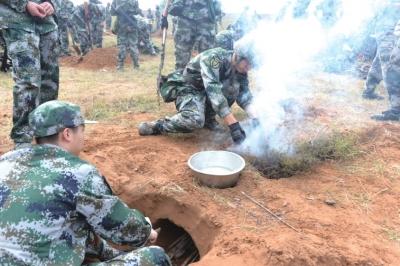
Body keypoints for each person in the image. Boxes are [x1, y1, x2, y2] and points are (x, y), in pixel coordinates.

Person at [0, 100, 172, 266]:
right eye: (82, 130)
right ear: (67, 134)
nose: (84, 137)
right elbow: (122, 227)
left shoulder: (6, 162)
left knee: (81, 229)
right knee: (155, 257)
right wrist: (146, 230)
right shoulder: (78, 173)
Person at [138, 45, 259, 144]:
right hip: (190, 88)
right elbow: (213, 89)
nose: (248, 68)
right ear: (238, 56)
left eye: (251, 66)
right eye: (247, 64)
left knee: (233, 88)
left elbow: (245, 95)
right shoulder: (214, 58)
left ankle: (208, 120)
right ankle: (158, 126)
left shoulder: (240, 70)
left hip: (205, 93)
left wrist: (255, 118)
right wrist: (233, 125)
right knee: (194, 120)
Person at [0, 0, 60, 148]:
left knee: (50, 80)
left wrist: (51, 3)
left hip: (46, 22)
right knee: (28, 81)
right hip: (16, 19)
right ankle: (23, 140)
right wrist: (24, 4)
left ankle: (47, 133)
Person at [366, 1, 400, 120]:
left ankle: (368, 91)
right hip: (387, 30)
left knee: (385, 65)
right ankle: (396, 110)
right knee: (388, 66)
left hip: (388, 30)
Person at [166, 0, 222, 71]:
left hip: (203, 22)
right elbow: (173, 8)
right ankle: (181, 78)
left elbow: (217, 10)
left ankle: (204, 79)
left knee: (208, 58)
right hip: (188, 21)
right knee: (182, 59)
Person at [111, 0, 140, 71]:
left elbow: (112, 13)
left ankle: (120, 67)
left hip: (121, 25)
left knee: (122, 45)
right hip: (132, 24)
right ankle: (136, 66)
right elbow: (137, 12)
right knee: (133, 45)